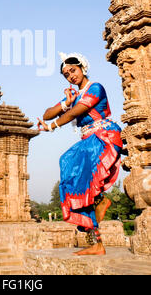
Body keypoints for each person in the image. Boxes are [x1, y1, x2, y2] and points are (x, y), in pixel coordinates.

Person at [37, 52, 123, 256]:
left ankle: (100, 201)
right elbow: (47, 113)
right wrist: (66, 102)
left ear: (82, 68)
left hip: (104, 136)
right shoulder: (75, 96)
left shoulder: (95, 88)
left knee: (78, 175)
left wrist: (52, 126)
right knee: (72, 173)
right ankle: (97, 242)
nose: (70, 76)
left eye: (73, 71)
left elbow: (76, 113)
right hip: (89, 142)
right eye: (66, 75)